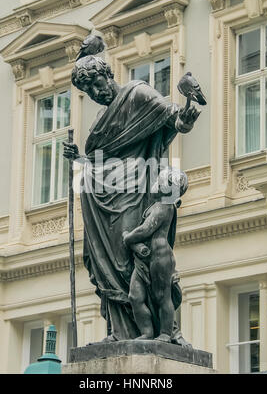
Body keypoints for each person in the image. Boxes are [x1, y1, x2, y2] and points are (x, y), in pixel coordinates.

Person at [63, 54, 201, 343]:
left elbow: (172, 117)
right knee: (104, 261)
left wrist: (184, 121)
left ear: (107, 74)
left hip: (137, 191)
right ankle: (119, 330)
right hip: (103, 200)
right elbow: (102, 160)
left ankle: (161, 332)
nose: (96, 93)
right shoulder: (101, 118)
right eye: (88, 91)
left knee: (131, 257)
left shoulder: (138, 93)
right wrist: (80, 158)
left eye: (97, 84)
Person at [122, 168, 188, 343]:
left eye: (160, 181)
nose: (156, 184)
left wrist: (128, 237)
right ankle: (147, 332)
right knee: (135, 296)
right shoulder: (158, 205)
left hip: (160, 257)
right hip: (145, 259)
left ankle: (166, 333)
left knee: (162, 296)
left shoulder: (164, 207)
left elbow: (146, 229)